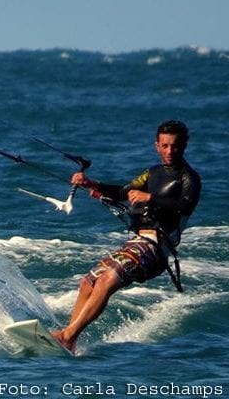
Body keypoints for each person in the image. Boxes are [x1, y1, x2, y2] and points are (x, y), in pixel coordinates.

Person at [51, 120, 201, 353]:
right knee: (88, 282)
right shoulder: (152, 173)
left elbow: (184, 206)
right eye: (165, 146)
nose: (170, 151)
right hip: (137, 243)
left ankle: (67, 336)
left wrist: (149, 198)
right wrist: (90, 183)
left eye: (175, 146)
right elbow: (123, 191)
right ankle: (69, 338)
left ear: (184, 145)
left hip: (155, 248)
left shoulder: (188, 178)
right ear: (157, 146)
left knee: (108, 280)